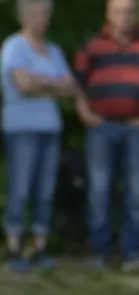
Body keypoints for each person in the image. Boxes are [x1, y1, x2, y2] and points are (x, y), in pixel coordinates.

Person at [73, 0, 139, 271]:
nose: (124, 17)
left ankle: (132, 253)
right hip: (102, 127)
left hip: (137, 127)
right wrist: (84, 112)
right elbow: (77, 82)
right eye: (118, 12)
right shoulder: (92, 45)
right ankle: (98, 253)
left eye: (128, 12)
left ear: (136, 14)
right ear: (108, 14)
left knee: (135, 192)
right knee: (99, 191)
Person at [2, 0, 72, 272]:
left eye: (45, 13)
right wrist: (53, 85)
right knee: (20, 189)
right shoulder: (13, 47)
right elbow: (22, 84)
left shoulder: (53, 50)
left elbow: (70, 89)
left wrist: (41, 82)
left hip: (50, 127)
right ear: (23, 17)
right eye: (35, 13)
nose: (41, 18)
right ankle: (13, 246)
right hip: (21, 128)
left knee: (45, 190)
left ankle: (39, 247)